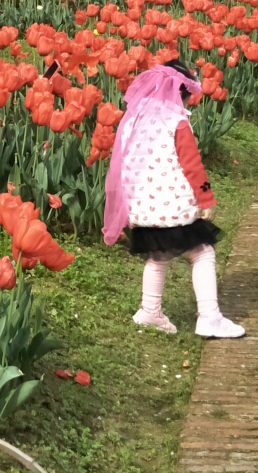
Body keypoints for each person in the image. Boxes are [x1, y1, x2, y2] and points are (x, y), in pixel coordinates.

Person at [102, 59, 245, 339]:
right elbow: (192, 166)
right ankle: (209, 316)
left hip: (142, 207)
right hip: (173, 206)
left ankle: (150, 311)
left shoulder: (133, 120)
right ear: (179, 92)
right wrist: (207, 199)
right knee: (203, 251)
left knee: (158, 256)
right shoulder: (177, 123)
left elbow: (120, 163)